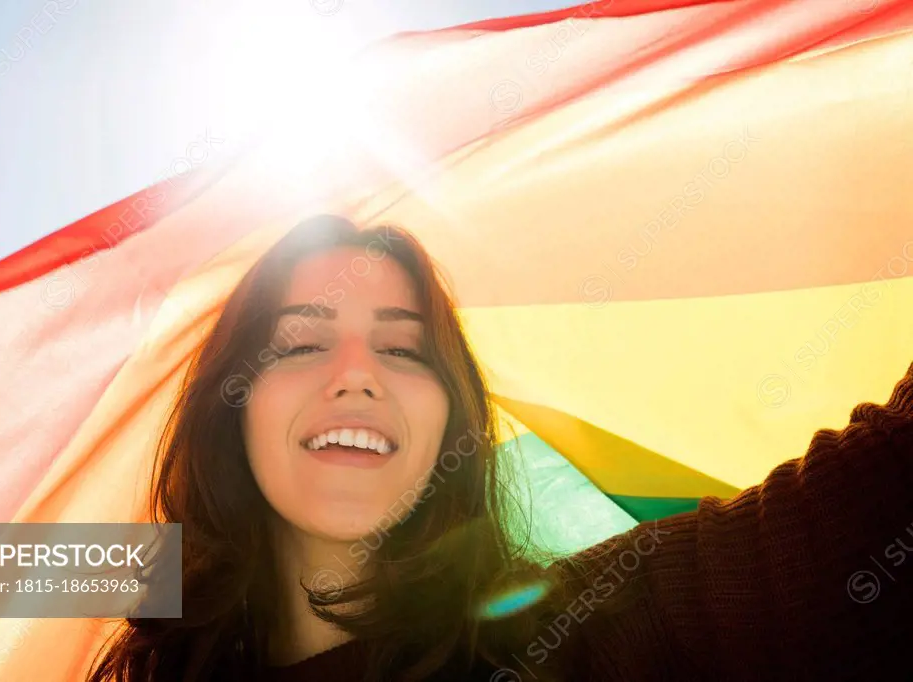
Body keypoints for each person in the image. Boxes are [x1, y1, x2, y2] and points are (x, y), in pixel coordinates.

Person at [86, 214, 912, 681]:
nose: (355, 375)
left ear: (452, 421)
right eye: (300, 344)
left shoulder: (595, 629)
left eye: (404, 350)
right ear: (231, 408)